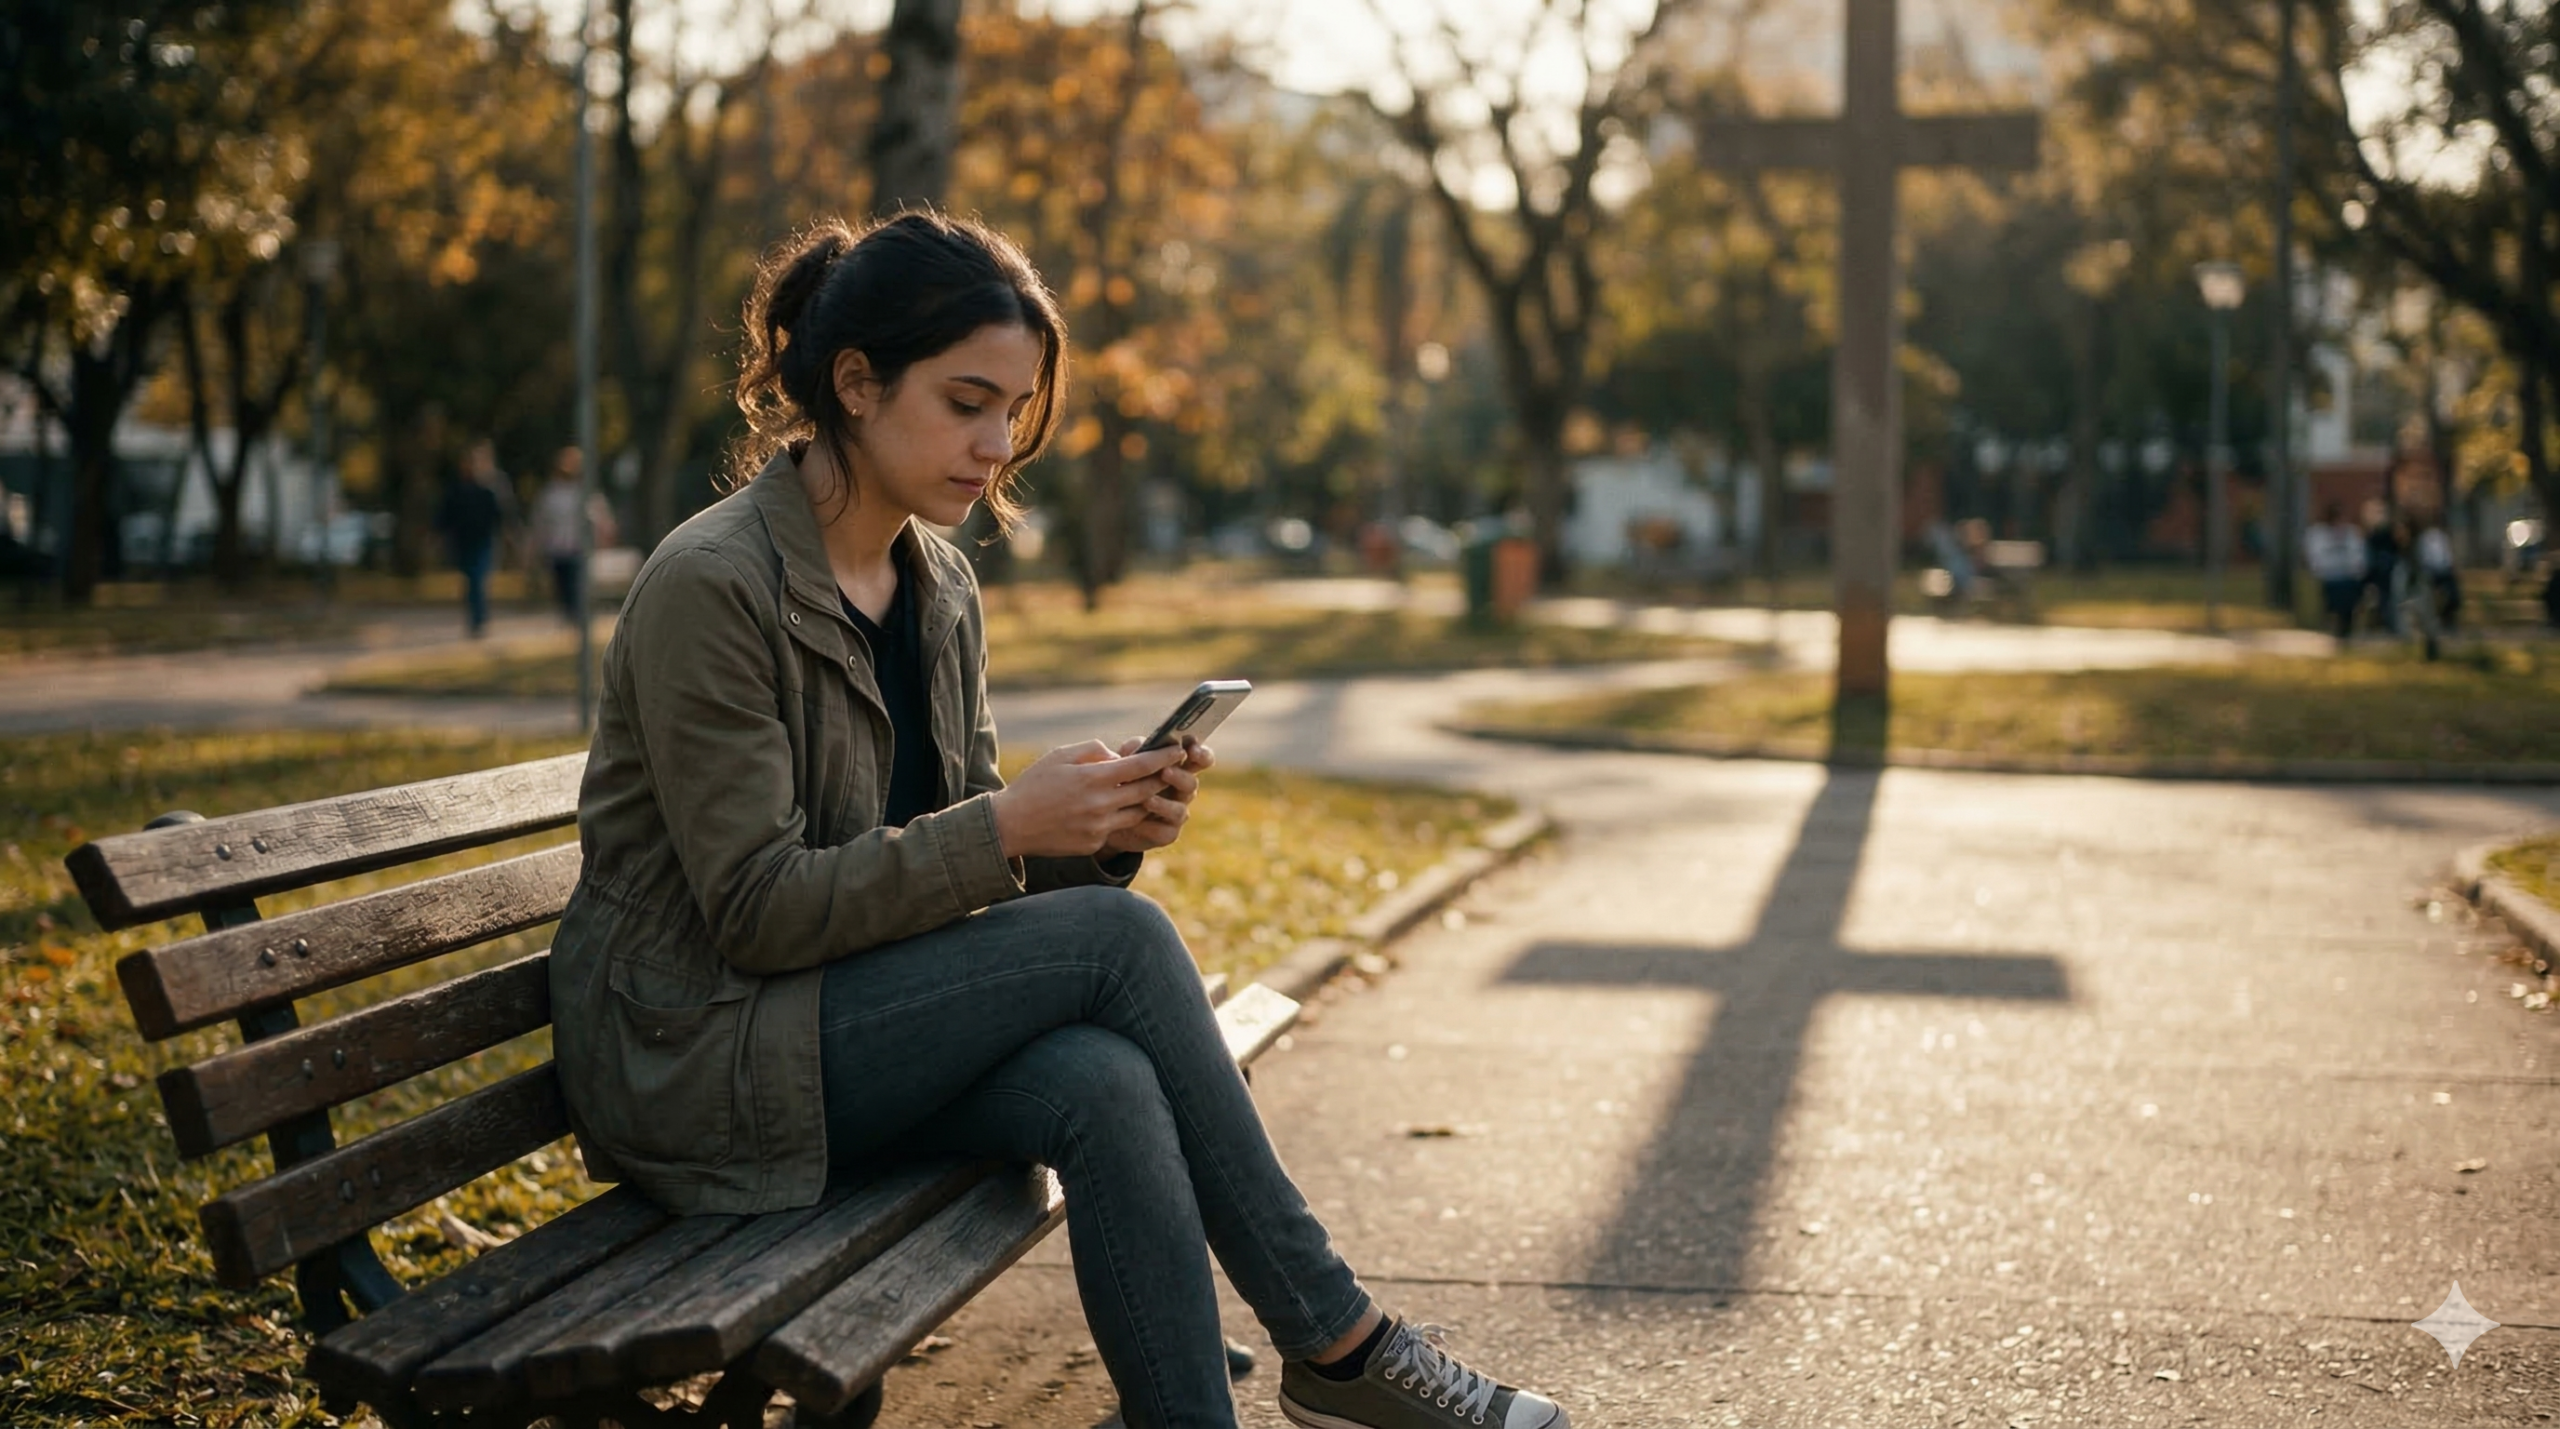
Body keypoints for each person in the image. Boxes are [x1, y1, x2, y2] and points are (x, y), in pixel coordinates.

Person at [546, 212, 1567, 1429]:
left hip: (836, 1030)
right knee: (1119, 950)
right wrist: (1012, 825)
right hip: (701, 1063)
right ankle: (1337, 1339)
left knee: (1101, 1080)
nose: (994, 446)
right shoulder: (714, 586)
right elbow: (758, 910)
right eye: (966, 401)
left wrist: (1100, 828)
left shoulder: (938, 580)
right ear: (856, 385)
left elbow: (964, 874)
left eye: (1014, 411)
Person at [532, 446, 618, 623]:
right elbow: (540, 521)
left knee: (578, 588)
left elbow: (602, 520)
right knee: (562, 589)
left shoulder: (586, 493)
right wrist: (535, 546)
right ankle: (570, 621)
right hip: (557, 549)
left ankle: (579, 622)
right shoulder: (551, 493)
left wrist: (604, 536)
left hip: (578, 549)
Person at [436, 440, 511, 637]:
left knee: (478, 578)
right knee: (471, 579)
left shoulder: (490, 488)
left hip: (484, 539)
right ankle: (476, 617)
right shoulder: (457, 488)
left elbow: (500, 514)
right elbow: (446, 514)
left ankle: (479, 619)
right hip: (463, 540)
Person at [2303, 501, 2367, 640]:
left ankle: (2346, 629)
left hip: (2349, 576)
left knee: (2349, 603)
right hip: (2330, 577)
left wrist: (2356, 569)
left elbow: (2358, 555)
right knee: (2334, 602)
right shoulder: (2318, 534)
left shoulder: (2351, 533)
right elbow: (2315, 556)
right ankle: (2332, 627)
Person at [2360, 498, 2403, 636]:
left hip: (2390, 574)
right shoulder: (2368, 537)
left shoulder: (2392, 534)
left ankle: (2391, 623)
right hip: (2372, 574)